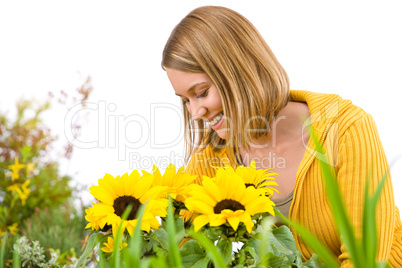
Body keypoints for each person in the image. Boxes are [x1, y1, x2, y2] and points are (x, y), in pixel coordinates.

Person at [161, 5, 402, 267]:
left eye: (201, 93)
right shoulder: (212, 158)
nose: (195, 113)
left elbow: (365, 259)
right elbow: (176, 250)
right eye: (185, 100)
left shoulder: (345, 130)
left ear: (240, 72)